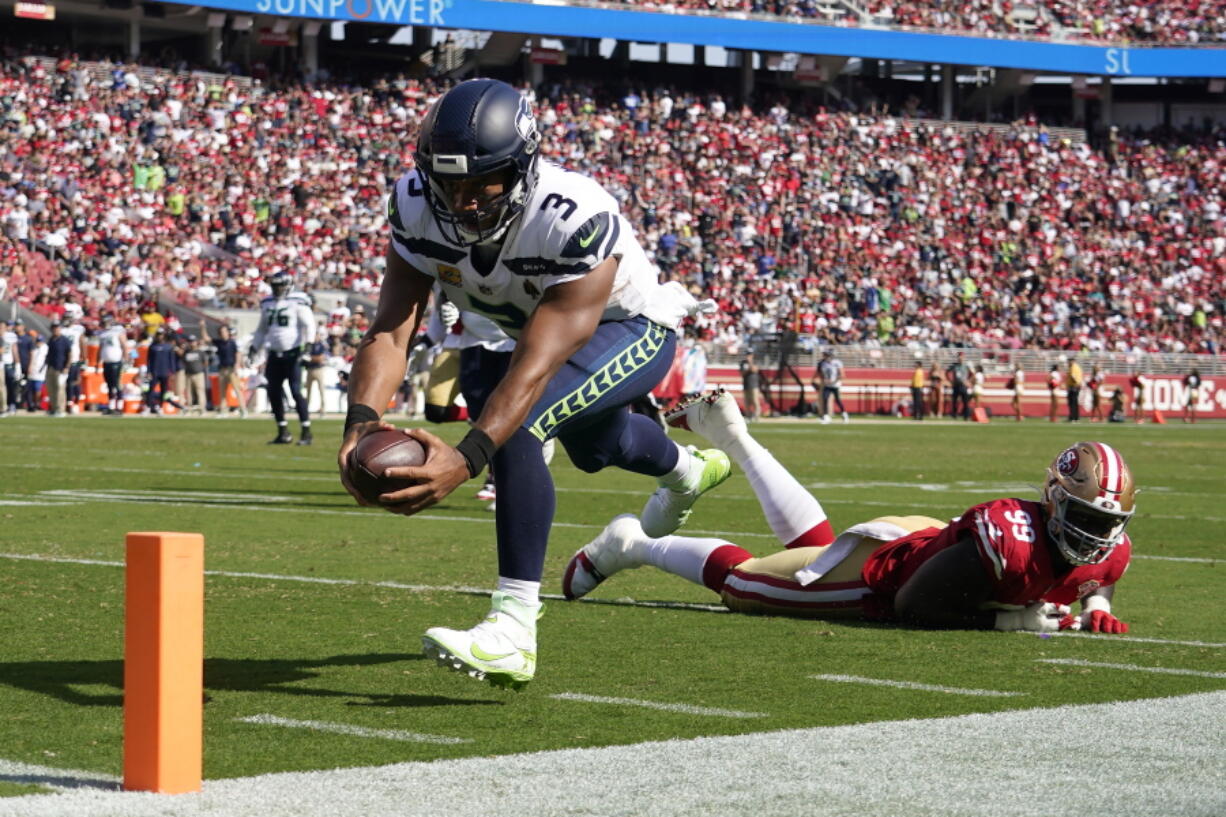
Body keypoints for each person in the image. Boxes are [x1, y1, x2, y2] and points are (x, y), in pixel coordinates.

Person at [337, 78, 725, 691]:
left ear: (521, 167)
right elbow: (390, 329)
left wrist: (466, 459)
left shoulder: (572, 216)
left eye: (479, 184)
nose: (461, 201)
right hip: (539, 335)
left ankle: (514, 628)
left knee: (518, 427)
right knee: (599, 449)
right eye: (449, 183)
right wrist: (360, 420)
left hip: (633, 328)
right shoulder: (412, 203)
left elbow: (537, 364)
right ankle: (685, 467)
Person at [565, 390, 1134, 635]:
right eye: (1084, 518)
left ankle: (735, 439)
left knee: (812, 551)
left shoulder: (1108, 548)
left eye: (1104, 524)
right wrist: (1009, 620)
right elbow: (915, 606)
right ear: (1056, 500)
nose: (1095, 536)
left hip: (922, 538)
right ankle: (633, 544)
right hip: (886, 574)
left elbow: (1095, 574)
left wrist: (1099, 603)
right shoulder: (1008, 539)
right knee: (746, 585)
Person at [249, 271, 316, 444]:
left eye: (280, 286)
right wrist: (254, 347)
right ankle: (283, 431)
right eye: (274, 286)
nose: (277, 289)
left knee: (295, 391)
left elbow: (309, 325)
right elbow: (262, 329)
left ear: (287, 286)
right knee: (273, 392)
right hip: (274, 353)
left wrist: (308, 345)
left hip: (293, 353)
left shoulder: (298, 301)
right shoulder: (267, 303)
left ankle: (306, 432)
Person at [97, 313, 130, 415]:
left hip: (117, 362)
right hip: (107, 362)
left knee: (117, 385)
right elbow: (100, 348)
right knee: (110, 385)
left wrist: (126, 360)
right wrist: (98, 362)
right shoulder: (103, 333)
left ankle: (119, 408)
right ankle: (111, 407)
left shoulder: (118, 331)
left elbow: (124, 346)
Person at [213, 324, 246, 417]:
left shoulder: (234, 342)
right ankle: (223, 411)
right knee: (222, 391)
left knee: (237, 389)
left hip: (231, 368)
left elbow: (238, 354)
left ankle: (243, 410)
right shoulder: (221, 343)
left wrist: (237, 365)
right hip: (222, 368)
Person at [45, 322, 74, 417]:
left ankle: (60, 409)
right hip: (51, 367)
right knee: (51, 388)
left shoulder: (65, 340)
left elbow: (70, 354)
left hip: (61, 367)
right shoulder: (51, 340)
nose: (55, 330)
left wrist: (67, 367)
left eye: (57, 328)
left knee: (60, 389)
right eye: (54, 328)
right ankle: (53, 408)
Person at [145, 327, 176, 414]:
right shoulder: (152, 347)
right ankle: (148, 407)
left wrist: (172, 372)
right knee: (151, 390)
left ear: (164, 335)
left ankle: (160, 407)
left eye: (161, 335)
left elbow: (171, 360)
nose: (159, 337)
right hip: (154, 371)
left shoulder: (168, 347)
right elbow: (149, 360)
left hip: (164, 372)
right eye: (158, 335)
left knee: (163, 390)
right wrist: (148, 371)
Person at [304, 327, 331, 418]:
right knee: (308, 391)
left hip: (319, 369)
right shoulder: (309, 345)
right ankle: (305, 409)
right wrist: (313, 359)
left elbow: (321, 358)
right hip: (310, 369)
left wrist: (311, 359)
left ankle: (323, 410)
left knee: (321, 390)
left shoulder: (322, 345)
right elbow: (305, 357)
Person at [816, 349, 848, 424]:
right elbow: (821, 373)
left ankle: (844, 414)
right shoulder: (822, 363)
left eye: (826, 355)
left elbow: (842, 375)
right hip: (827, 385)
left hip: (835, 384)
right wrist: (824, 379)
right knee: (825, 398)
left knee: (837, 400)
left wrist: (833, 381)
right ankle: (826, 417)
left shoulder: (837, 363)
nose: (824, 356)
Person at [181, 335, 209, 415]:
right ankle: (189, 409)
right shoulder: (186, 352)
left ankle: (202, 409)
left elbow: (205, 363)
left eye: (193, 341)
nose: (191, 343)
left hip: (198, 374)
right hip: (188, 374)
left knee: (200, 391)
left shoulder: (200, 352)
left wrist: (200, 368)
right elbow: (183, 361)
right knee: (189, 393)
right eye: (190, 342)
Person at [740, 352, 766, 421]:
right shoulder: (743, 363)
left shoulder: (755, 362)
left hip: (754, 385)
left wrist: (750, 364)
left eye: (750, 355)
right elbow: (742, 373)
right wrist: (749, 369)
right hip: (746, 385)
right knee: (747, 402)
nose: (748, 356)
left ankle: (757, 416)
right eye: (747, 354)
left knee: (755, 400)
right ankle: (748, 416)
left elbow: (754, 370)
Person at [946, 352, 971, 420]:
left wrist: (968, 381)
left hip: (963, 385)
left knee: (965, 401)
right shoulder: (954, 365)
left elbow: (972, 374)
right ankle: (954, 415)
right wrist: (950, 381)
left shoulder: (966, 366)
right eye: (959, 357)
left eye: (962, 357)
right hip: (956, 385)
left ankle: (966, 415)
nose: (960, 358)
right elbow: (947, 372)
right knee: (954, 401)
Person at [1065, 356, 1084, 423]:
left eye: (1068, 361)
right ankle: (1076, 417)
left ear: (1072, 361)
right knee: (1075, 403)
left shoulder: (1073, 367)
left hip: (1073, 386)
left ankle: (1072, 417)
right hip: (1076, 386)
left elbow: (1073, 377)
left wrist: (1075, 383)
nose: (1068, 363)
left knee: (1072, 403)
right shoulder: (1078, 367)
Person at [909, 356, 925, 421]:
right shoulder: (917, 371)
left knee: (918, 402)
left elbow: (916, 381)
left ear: (919, 365)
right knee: (916, 402)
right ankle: (917, 415)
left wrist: (913, 386)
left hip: (917, 387)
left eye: (916, 364)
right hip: (916, 387)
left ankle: (919, 415)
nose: (914, 365)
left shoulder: (919, 371)